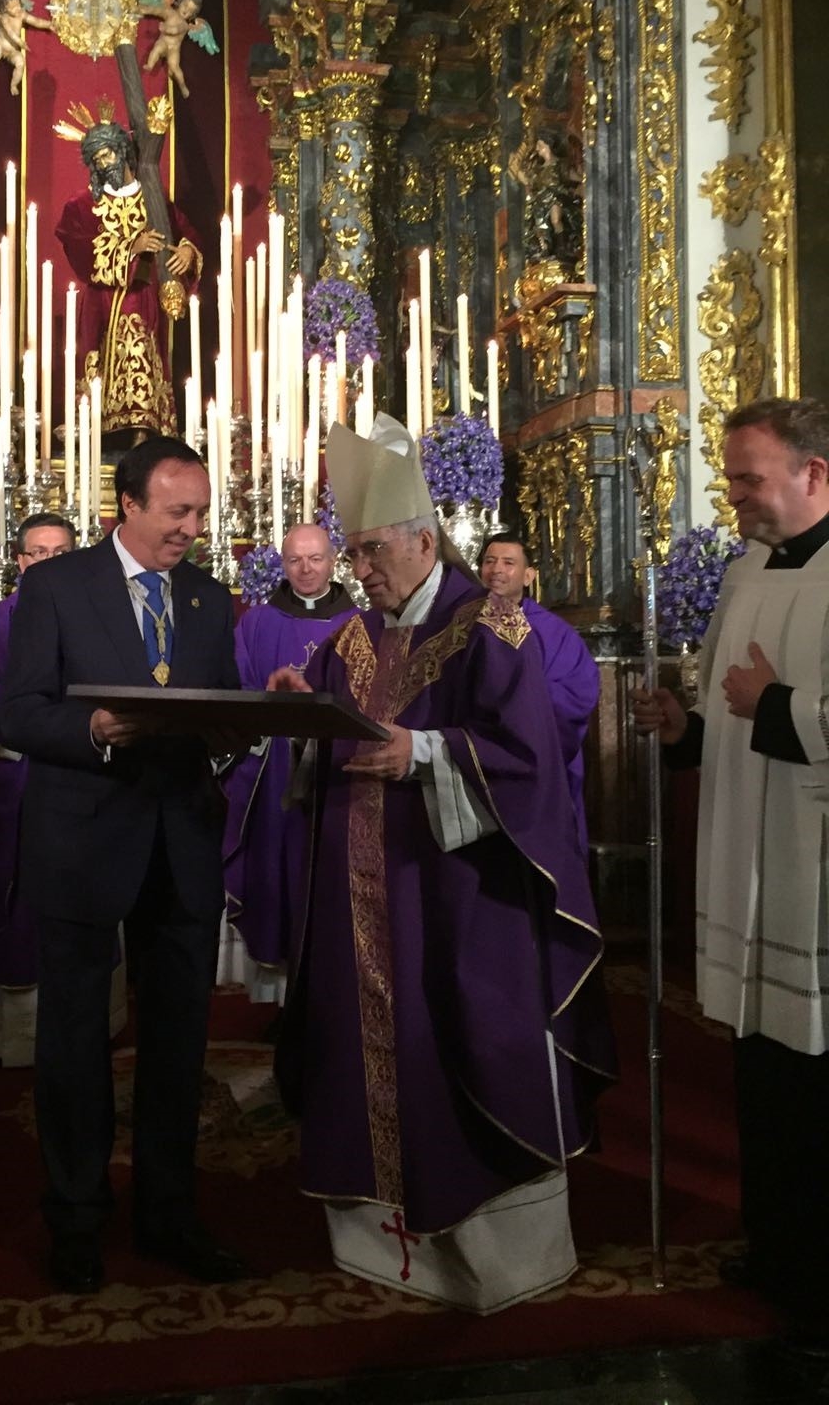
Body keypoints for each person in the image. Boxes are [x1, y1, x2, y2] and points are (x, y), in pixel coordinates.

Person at [270, 415, 614, 1313]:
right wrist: (307, 712)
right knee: (363, 1046)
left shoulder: (490, 627)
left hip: (462, 896)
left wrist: (422, 753)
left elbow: (529, 756)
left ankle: (491, 1254)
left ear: (425, 540)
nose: (361, 569)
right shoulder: (347, 641)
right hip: (363, 898)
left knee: (463, 1040)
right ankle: (384, 1236)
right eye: (351, 552)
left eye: (373, 550)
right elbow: (337, 739)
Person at [0, 435, 246, 1295]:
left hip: (180, 844)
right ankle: (74, 1218)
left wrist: (246, 726)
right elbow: (17, 712)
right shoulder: (55, 587)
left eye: (200, 512)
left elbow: (218, 716)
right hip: (82, 841)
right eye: (177, 512)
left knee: (179, 1045)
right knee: (73, 1041)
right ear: (128, 507)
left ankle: (169, 1213)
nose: (192, 528)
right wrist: (94, 730)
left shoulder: (213, 601)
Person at [633, 397, 829, 1344]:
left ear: (813, 475)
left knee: (814, 1066)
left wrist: (778, 705)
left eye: (748, 477)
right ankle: (777, 1238)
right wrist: (688, 729)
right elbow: (727, 708)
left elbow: (774, 704)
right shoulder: (747, 569)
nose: (734, 495)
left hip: (816, 866)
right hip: (751, 849)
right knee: (762, 1060)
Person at [0, 513, 82, 1066]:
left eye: (62, 553)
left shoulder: (97, 617)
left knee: (83, 897)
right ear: (21, 561)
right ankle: (23, 1042)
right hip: (23, 776)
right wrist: (35, 731)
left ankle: (85, 1031)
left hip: (85, 775)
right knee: (21, 900)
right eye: (39, 553)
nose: (50, 562)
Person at [219, 523, 356, 1002]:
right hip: (272, 771)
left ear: (333, 559)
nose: (305, 569)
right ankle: (279, 996)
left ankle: (331, 992)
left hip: (337, 774)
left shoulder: (359, 624)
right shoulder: (257, 623)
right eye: (295, 560)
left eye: (315, 558)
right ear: (282, 562)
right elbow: (237, 690)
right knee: (275, 872)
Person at [54, 117, 200, 440]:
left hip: (145, 298)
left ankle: (144, 430)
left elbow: (183, 231)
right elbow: (79, 249)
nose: (103, 164)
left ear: (122, 152)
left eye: (107, 155)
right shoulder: (82, 206)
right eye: (96, 160)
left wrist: (187, 252)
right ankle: (103, 433)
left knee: (144, 355)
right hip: (103, 304)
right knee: (102, 368)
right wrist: (131, 247)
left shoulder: (152, 197)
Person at [479, 531, 600, 859]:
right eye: (489, 561)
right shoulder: (461, 627)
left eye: (508, 562)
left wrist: (513, 718)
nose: (497, 570)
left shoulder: (553, 632)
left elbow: (576, 694)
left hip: (536, 767)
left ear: (529, 575)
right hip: (472, 766)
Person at [139, 0, 219, 99]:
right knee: (156, 49)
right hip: (164, 42)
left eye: (191, 11)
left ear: (192, 15)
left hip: (174, 49)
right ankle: (150, 65)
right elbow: (157, 10)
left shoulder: (185, 25)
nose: (186, 10)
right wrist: (144, 9)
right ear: (180, 2)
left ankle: (182, 86)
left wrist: (165, 28)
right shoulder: (169, 12)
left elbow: (175, 30)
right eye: (185, 5)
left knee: (175, 67)